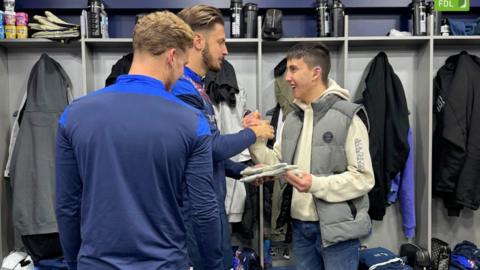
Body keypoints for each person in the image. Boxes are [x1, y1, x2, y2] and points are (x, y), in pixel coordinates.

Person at [55, 11, 224, 270]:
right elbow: (203, 211)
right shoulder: (192, 122)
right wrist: (213, 265)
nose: (181, 75)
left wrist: (74, 261)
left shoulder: (73, 114)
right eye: (182, 65)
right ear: (172, 56)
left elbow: (67, 206)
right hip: (164, 263)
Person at [246, 42, 375, 270]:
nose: (287, 77)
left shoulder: (348, 117)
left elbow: (364, 178)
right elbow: (279, 164)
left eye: (294, 69)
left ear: (316, 73)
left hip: (337, 232)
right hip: (299, 228)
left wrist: (315, 184)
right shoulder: (292, 119)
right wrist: (255, 138)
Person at [173, 5, 274, 270]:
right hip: (194, 213)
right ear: (197, 41)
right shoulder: (182, 89)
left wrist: (246, 172)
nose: (225, 50)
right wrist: (253, 133)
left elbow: (205, 154)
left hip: (210, 207)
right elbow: (212, 147)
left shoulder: (198, 87)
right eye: (220, 42)